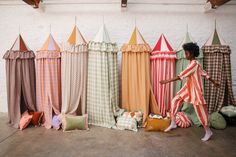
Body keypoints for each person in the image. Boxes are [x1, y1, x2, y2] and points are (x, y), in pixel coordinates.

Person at [160, 42, 220, 141]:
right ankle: (173, 122)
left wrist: (166, 81)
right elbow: (204, 73)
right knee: (175, 100)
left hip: (195, 91)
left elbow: (181, 76)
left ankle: (208, 131)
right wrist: (214, 82)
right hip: (187, 88)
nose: (185, 55)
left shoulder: (194, 64)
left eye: (186, 53)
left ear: (192, 53)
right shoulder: (195, 64)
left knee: (201, 111)